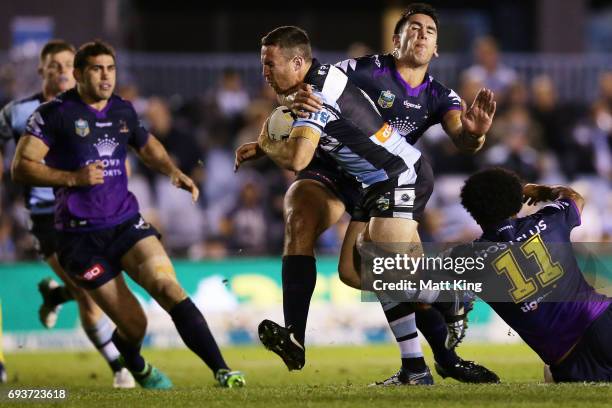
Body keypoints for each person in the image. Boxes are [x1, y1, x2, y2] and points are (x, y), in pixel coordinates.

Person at [236, 3, 498, 384]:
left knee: (389, 272)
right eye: (414, 28)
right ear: (396, 39)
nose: (422, 35)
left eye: (430, 31)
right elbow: (303, 109)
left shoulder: (440, 94)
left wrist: (474, 134)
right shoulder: (358, 70)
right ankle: (416, 363)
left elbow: (297, 155)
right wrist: (274, 133)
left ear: (437, 47)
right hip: (356, 174)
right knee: (353, 272)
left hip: (397, 175)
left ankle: (447, 303)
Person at [11, 40, 245, 389]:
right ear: (78, 74)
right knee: (135, 326)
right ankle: (134, 362)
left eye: (111, 68)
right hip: (79, 239)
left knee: (168, 287)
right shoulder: (54, 114)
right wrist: (72, 178)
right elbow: (21, 167)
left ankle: (222, 370)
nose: (106, 76)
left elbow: (146, 144)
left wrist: (172, 170)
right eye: (96, 69)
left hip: (125, 223)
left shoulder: (123, 110)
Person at [0, 39, 134, 388]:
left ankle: (55, 294)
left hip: (92, 211)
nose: (60, 71)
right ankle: (119, 368)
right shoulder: (15, 113)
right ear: (41, 70)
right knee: (88, 291)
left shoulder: (90, 110)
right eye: (53, 65)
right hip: (47, 215)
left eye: (65, 65)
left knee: (87, 287)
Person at [403, 167, 612, 382]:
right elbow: (574, 197)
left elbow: (407, 280)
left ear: (473, 213)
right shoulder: (551, 220)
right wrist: (545, 191)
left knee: (551, 376)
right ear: (518, 202)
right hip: (604, 319)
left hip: (569, 360)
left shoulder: (466, 258)